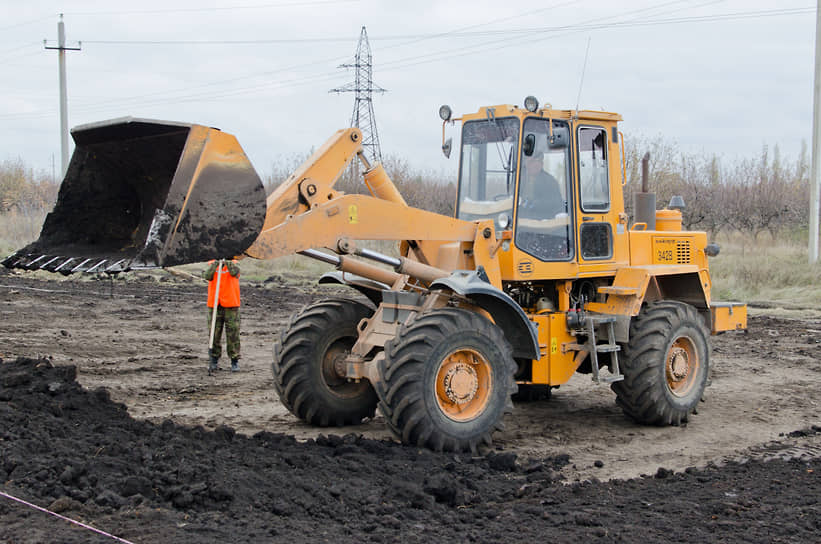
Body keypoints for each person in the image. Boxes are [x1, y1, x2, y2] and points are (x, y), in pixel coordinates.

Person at [203, 259, 241, 373]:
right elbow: (207, 276)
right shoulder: (211, 264)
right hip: (215, 304)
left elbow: (235, 273)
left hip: (231, 303)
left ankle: (234, 360)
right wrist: (216, 264)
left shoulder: (234, 264)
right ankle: (214, 359)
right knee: (214, 333)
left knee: (233, 333)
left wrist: (227, 262)